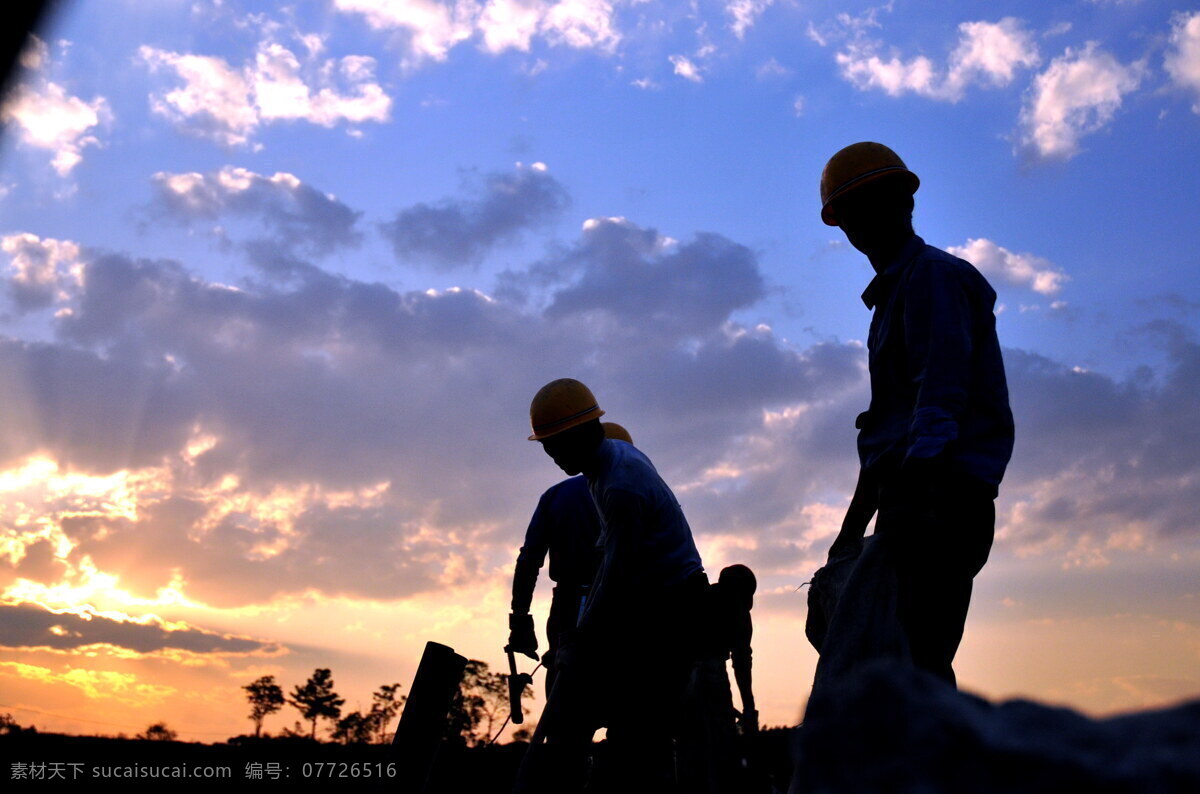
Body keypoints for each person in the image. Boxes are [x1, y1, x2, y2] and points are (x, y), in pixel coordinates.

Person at [817, 142, 1015, 687]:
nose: (861, 222)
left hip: (939, 499)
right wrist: (850, 535)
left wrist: (916, 498)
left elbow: (941, 393)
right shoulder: (893, 297)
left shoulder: (932, 277)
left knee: (913, 666)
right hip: (916, 499)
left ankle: (948, 769)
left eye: (875, 202)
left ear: (905, 204)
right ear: (844, 225)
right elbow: (887, 430)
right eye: (853, 210)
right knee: (897, 664)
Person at [513, 379, 707, 794]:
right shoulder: (608, 464)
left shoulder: (620, 486)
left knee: (639, 732)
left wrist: (581, 639)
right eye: (545, 447)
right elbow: (608, 562)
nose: (550, 457)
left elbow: (620, 576)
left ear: (580, 434)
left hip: (672, 606)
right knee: (610, 721)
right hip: (647, 597)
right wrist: (579, 634)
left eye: (555, 445)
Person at [508, 422, 635, 699]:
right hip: (619, 606)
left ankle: (560, 737)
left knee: (563, 690)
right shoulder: (628, 490)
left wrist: (519, 619)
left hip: (568, 605)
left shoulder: (555, 496)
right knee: (624, 694)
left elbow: (529, 561)